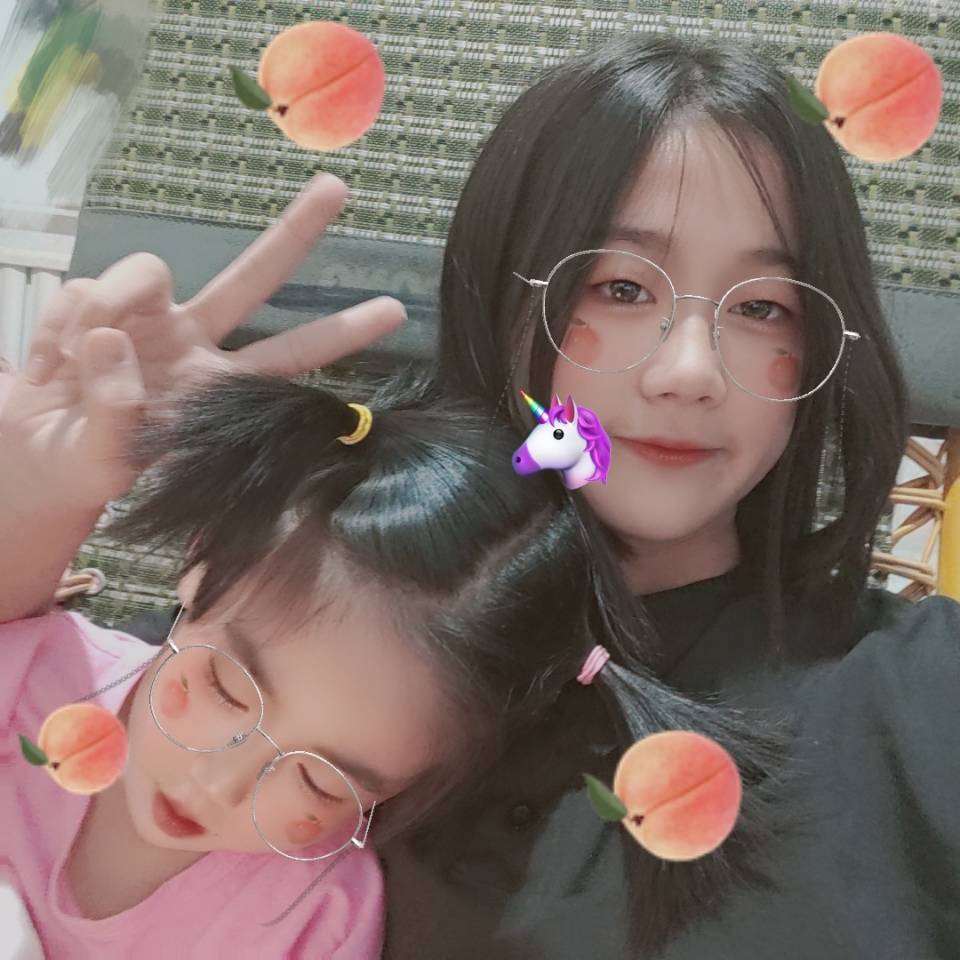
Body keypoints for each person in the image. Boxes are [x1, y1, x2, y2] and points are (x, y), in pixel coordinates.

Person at [11, 30, 959, 960]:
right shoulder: (264, 644)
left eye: (761, 307)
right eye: (620, 287)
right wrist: (37, 494)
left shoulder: (926, 697)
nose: (689, 371)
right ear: (499, 294)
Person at [0, 210, 785, 957]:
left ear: (409, 790)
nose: (219, 781)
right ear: (201, 557)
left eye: (319, 783)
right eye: (225, 691)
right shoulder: (40, 680)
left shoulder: (311, 921)